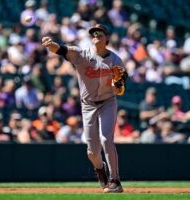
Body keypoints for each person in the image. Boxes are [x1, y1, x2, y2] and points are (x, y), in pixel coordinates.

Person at [42, 24, 128, 193]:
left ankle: (115, 180)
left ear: (107, 38)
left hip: (108, 102)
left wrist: (119, 83)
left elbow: (121, 88)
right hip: (88, 105)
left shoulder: (116, 60)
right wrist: (50, 44)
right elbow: (60, 50)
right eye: (93, 33)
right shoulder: (82, 55)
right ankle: (100, 169)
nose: (96, 35)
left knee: (106, 139)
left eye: (100, 33)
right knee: (92, 152)